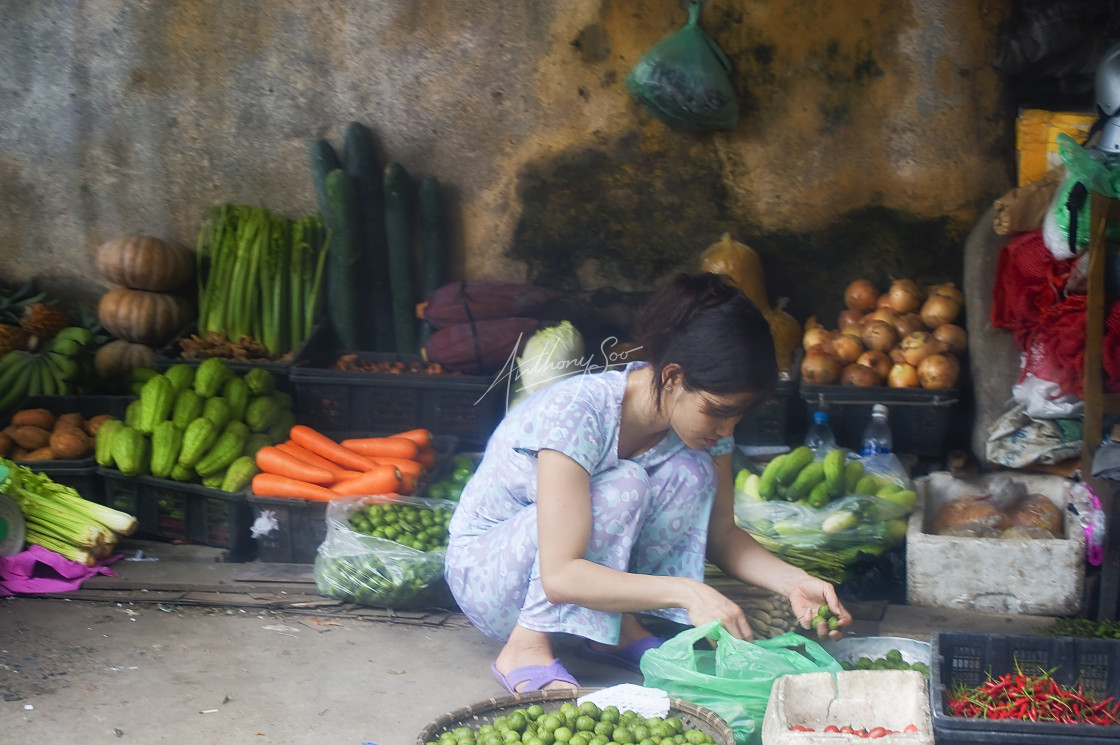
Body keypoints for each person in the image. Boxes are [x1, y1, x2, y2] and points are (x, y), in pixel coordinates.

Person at [445, 272, 851, 694]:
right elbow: (560, 576)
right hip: (491, 575)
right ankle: (526, 645)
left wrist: (793, 582)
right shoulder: (578, 411)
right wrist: (688, 593)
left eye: (738, 416)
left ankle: (610, 629)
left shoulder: (705, 433)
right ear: (672, 378)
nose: (727, 429)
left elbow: (723, 535)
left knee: (690, 473)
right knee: (625, 486)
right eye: (717, 411)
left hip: (563, 582)